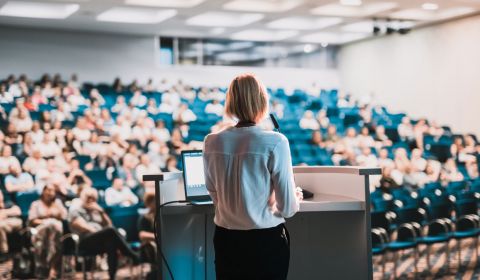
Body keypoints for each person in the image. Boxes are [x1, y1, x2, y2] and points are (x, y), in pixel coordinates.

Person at [203, 74, 301, 280]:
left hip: (226, 239)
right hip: (265, 241)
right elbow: (288, 209)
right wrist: (295, 196)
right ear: (261, 101)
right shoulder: (276, 142)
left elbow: (213, 191)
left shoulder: (211, 141)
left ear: (230, 102)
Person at [68, 188, 139, 280]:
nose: (90, 200)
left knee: (111, 243)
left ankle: (112, 276)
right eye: (88, 197)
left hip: (99, 241)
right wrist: (101, 233)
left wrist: (101, 211)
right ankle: (130, 254)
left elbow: (109, 225)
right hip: (84, 240)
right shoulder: (77, 208)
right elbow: (81, 226)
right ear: (82, 198)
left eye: (93, 198)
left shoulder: (96, 210)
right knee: (109, 232)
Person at [28, 184, 67, 278]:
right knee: (49, 227)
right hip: (41, 229)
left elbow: (64, 216)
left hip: (56, 232)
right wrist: (46, 221)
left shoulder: (58, 203)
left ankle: (52, 268)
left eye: (53, 191)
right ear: (43, 191)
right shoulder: (36, 204)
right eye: (48, 190)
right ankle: (46, 267)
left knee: (54, 227)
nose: (50, 193)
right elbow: (32, 220)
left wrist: (56, 207)